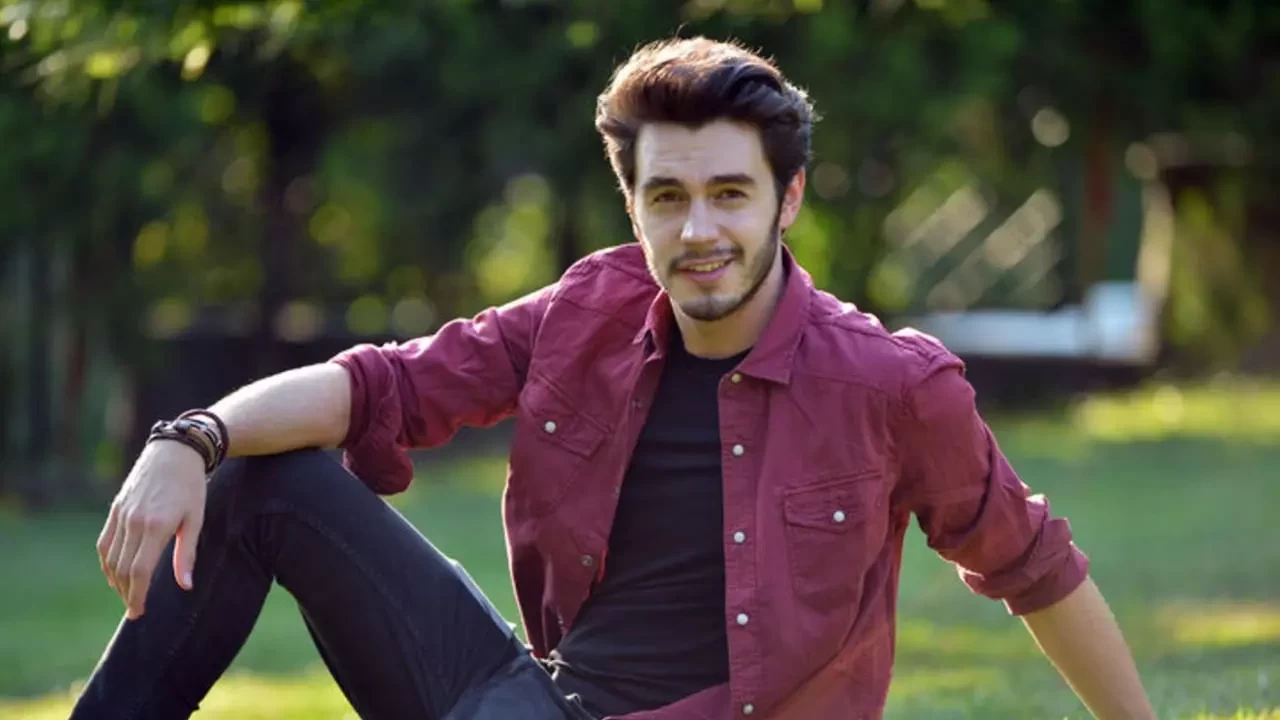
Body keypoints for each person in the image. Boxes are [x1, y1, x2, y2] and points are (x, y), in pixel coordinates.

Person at [73, 36, 1156, 720]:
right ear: (631, 204)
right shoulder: (587, 311)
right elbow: (379, 386)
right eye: (667, 198)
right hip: (530, 704)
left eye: (730, 194)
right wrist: (189, 438)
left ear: (787, 200)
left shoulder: (889, 384)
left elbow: (1033, 566)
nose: (699, 230)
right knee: (262, 477)